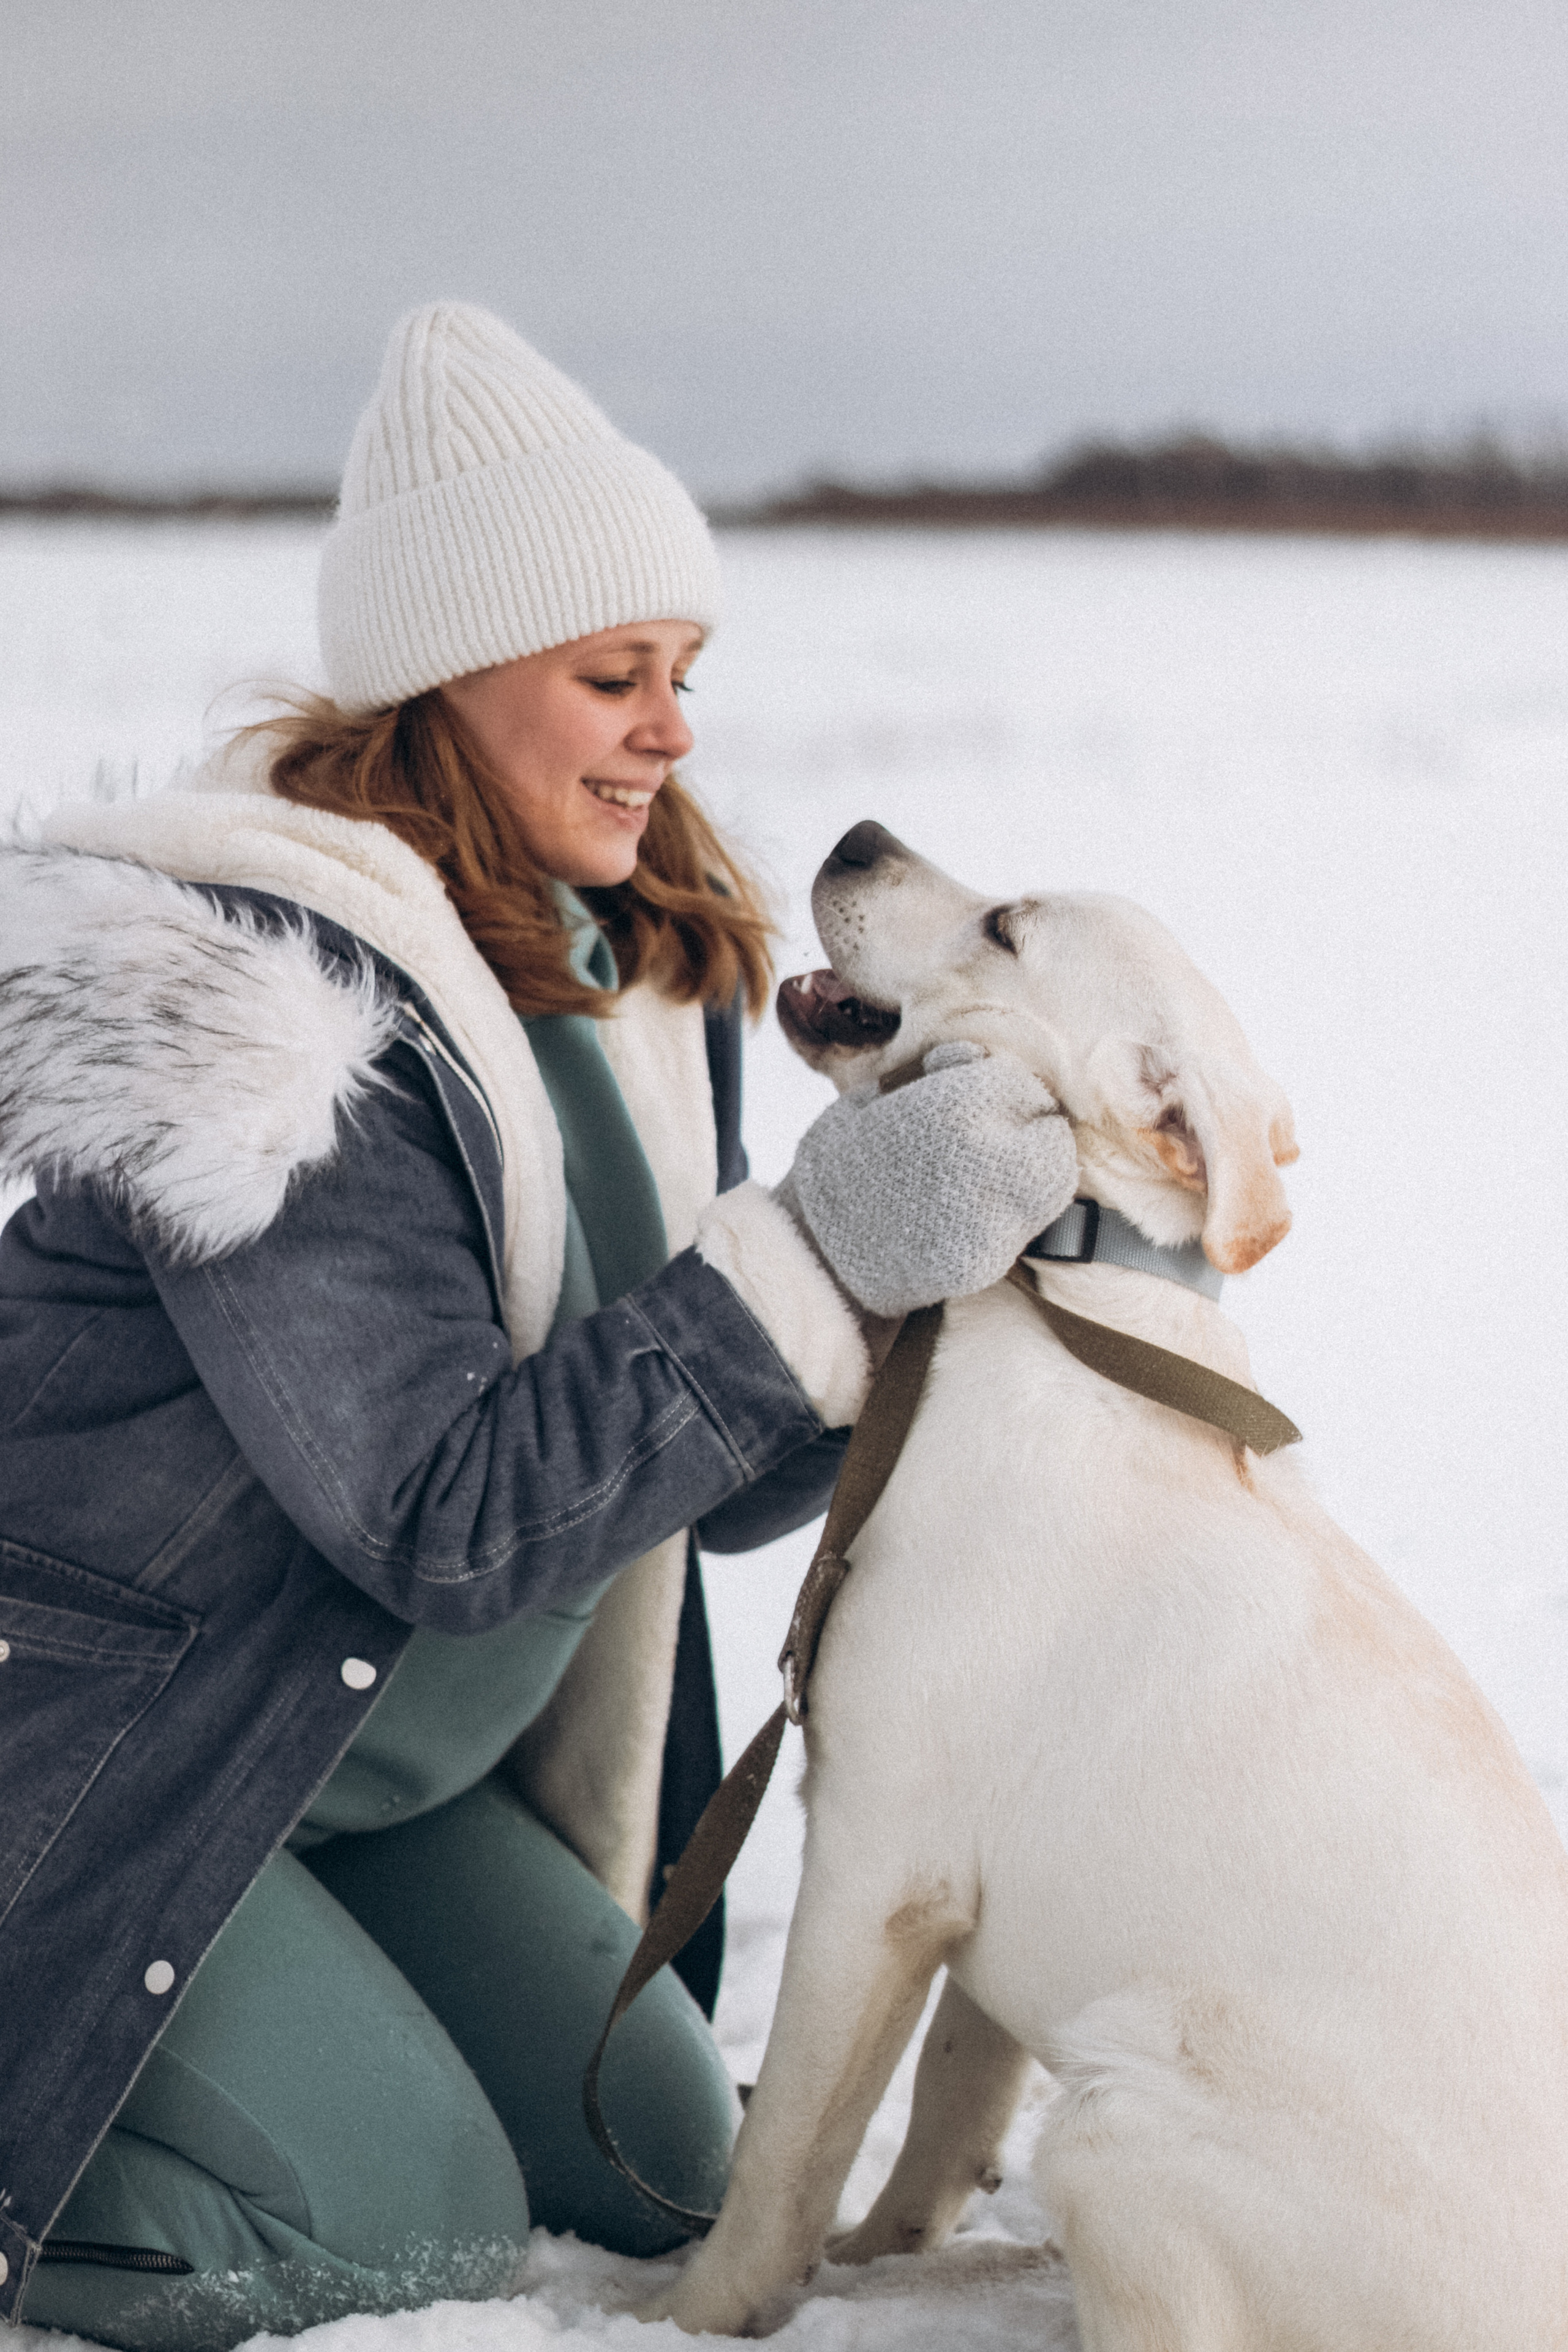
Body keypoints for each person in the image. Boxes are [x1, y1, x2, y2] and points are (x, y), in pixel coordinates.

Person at [0, 303, 1077, 2351]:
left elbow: (681, 1442)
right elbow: (452, 1519)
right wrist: (821, 1260)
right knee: (384, 2222)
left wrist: (931, 1303)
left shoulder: (619, 994)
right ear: (440, 682)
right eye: (612, 676)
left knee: (672, 2158)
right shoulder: (276, 1022)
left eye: (683, 677)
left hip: (366, 1770)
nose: (672, 730)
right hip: (106, 1747)